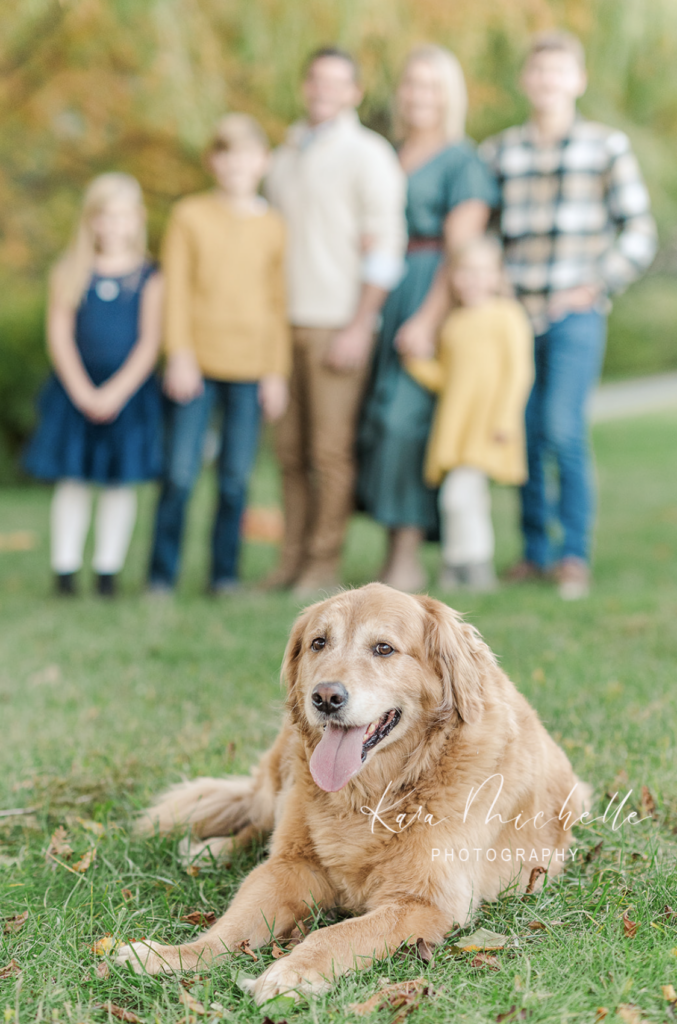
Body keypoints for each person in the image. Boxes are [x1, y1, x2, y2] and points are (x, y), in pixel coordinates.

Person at [479, 31, 657, 599]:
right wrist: (489, 276)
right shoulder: (500, 151)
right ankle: (535, 551)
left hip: (575, 313)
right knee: (525, 433)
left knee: (562, 426)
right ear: (525, 80)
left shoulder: (606, 147)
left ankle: (573, 552)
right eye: (538, 72)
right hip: (513, 314)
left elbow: (640, 230)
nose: (547, 81)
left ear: (577, 80)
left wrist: (597, 282)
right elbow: (482, 232)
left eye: (559, 72)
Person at [264, 47, 407, 598]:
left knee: (329, 452)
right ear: (305, 86)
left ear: (354, 92)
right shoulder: (285, 155)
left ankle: (323, 566)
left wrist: (359, 324)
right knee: (289, 453)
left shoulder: (367, 155)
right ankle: (290, 559)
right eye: (314, 80)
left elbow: (384, 249)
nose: (322, 90)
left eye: (336, 83)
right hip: (282, 323)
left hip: (336, 323)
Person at [357, 45, 499, 593]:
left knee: (404, 422)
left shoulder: (464, 161)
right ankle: (388, 550)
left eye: (432, 86)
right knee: (374, 423)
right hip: (380, 290)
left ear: (449, 96)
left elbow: (461, 250)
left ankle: (408, 554)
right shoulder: (384, 153)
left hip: (429, 292)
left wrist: (427, 318)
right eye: (411, 84)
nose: (419, 96)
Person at [148, 114, 290, 596]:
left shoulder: (274, 226)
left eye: (247, 155)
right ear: (213, 161)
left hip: (252, 367)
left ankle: (223, 575)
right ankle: (161, 575)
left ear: (263, 162)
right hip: (199, 365)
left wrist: (276, 371)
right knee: (180, 472)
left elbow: (278, 303)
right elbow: (178, 291)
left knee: (235, 478)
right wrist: (180, 353)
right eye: (226, 154)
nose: (236, 165)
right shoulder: (190, 216)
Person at [24, 173, 163, 598]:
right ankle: (64, 571)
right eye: (103, 216)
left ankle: (108, 571)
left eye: (121, 217)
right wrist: (83, 391)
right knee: (74, 480)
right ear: (90, 221)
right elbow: (60, 335)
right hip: (75, 393)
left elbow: (150, 341)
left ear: (136, 219)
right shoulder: (69, 271)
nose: (112, 226)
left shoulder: (150, 276)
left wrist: (116, 392)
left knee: (119, 483)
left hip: (128, 396)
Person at [405, 236, 533, 592]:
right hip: (457, 427)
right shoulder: (454, 323)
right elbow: (447, 378)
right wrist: (416, 363)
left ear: (496, 276)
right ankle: (459, 566)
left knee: (460, 497)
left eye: (482, 271)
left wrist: (505, 419)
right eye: (465, 271)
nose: (473, 279)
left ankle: (471, 566)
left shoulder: (507, 315)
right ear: (453, 277)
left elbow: (519, 372)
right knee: (461, 499)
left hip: (488, 425)